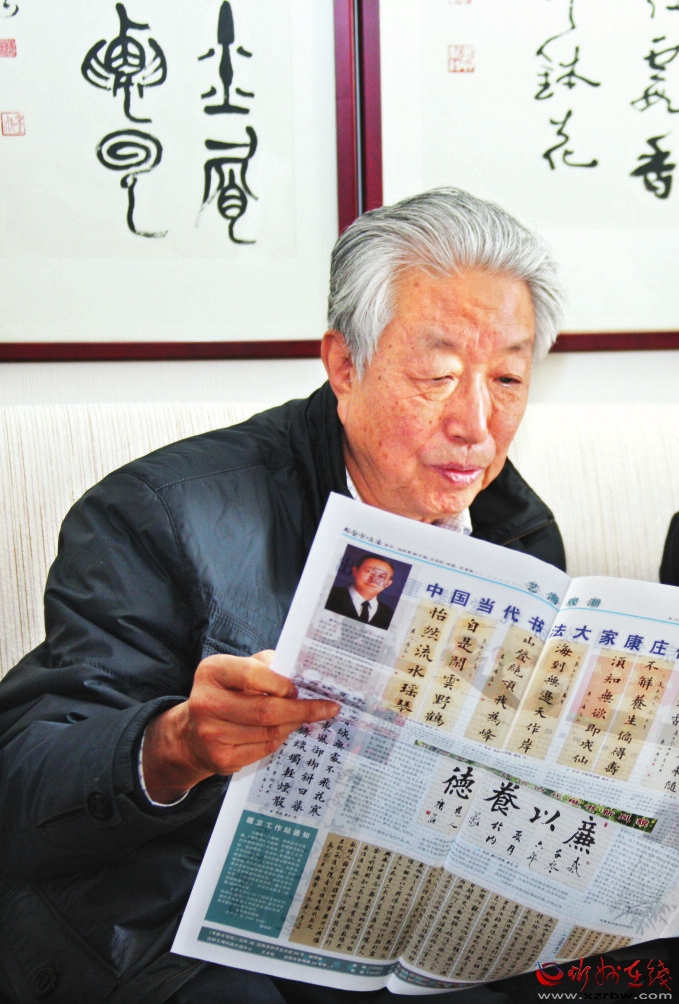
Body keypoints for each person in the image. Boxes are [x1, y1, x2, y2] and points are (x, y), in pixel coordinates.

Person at [0, 188, 568, 1003]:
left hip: (397, 910)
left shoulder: (513, 530)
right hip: (175, 929)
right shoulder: (162, 515)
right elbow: (21, 784)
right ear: (344, 365)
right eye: (438, 375)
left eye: (507, 378)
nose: (476, 424)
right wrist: (177, 743)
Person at [325, 553, 396, 628]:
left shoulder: (389, 614)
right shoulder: (328, 594)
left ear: (388, 583)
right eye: (369, 571)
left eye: (382, 576)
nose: (374, 579)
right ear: (355, 571)